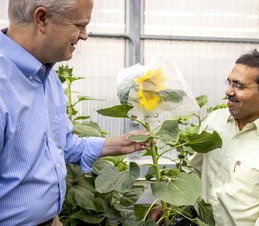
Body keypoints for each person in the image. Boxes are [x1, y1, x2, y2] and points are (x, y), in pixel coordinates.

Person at [0, 0, 149, 225]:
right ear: (42, 18)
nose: (84, 35)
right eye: (79, 25)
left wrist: (118, 145)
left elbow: (62, 143)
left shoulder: (46, 75)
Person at [190, 49, 259, 225]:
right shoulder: (214, 121)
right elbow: (194, 170)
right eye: (229, 82)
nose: (228, 91)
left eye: (239, 86)